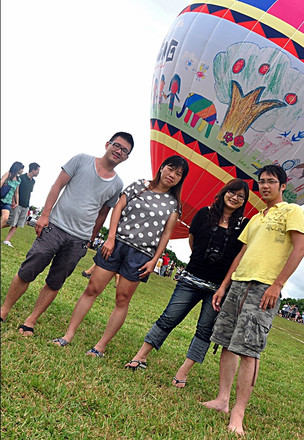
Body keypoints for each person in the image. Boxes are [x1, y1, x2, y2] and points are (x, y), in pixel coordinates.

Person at [202, 164, 304, 436]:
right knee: (226, 342)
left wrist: (277, 284)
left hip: (264, 287)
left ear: (283, 186)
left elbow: (300, 249)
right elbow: (241, 254)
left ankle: (238, 412)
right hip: (239, 283)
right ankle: (222, 400)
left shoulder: (292, 211)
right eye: (261, 181)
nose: (265, 186)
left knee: (248, 349)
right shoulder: (255, 218)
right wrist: (224, 286)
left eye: (271, 181)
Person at [52, 155, 189, 356]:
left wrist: (154, 261)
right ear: (162, 168)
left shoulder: (173, 204)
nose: (173, 175)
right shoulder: (139, 186)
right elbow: (118, 208)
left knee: (122, 299)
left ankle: (100, 346)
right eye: (171, 169)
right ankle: (68, 335)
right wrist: (110, 237)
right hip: (116, 245)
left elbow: (166, 234)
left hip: (141, 255)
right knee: (92, 288)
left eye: (179, 174)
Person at [0, 133, 133, 331]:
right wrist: (44, 215)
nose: (119, 151)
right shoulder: (81, 160)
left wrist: (91, 238)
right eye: (117, 145)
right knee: (28, 270)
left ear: (126, 158)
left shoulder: (117, 184)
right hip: (55, 226)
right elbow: (57, 186)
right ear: (107, 144)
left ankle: (31, 321)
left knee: (55, 281)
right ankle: (3, 311)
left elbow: (103, 214)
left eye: (124, 151)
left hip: (78, 239)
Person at [124, 179, 250, 386]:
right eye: (232, 192)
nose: (234, 198)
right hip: (191, 278)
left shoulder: (243, 225)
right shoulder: (204, 214)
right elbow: (193, 240)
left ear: (243, 201)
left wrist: (224, 285)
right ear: (224, 192)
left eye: (240, 196)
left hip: (218, 288)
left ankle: (183, 372)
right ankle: (141, 356)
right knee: (169, 317)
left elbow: (239, 257)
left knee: (204, 330)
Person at [3, 163, 40, 247]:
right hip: (17, 204)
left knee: (17, 224)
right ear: (33, 170)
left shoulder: (33, 181)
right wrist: (14, 201)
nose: (38, 172)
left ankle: (6, 240)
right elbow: (15, 190)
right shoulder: (21, 178)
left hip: (26, 205)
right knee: (10, 222)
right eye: (38, 170)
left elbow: (30, 192)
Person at [1, 162, 24, 228]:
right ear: (18, 168)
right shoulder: (8, 174)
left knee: (5, 218)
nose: (22, 171)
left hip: (8, 202)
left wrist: (17, 202)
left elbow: (16, 192)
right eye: (22, 169)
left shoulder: (18, 179)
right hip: (1, 197)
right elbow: (1, 182)